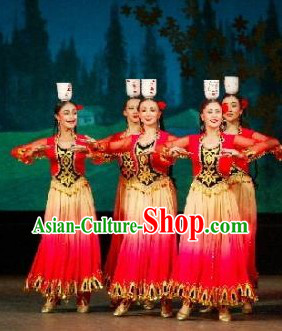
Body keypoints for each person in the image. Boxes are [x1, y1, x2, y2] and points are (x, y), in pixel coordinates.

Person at [166, 81, 279, 322]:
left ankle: (223, 302)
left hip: (223, 196)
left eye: (219, 111)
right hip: (198, 198)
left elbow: (270, 143)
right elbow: (164, 147)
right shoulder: (193, 140)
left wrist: (244, 154)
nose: (216, 115)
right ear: (203, 116)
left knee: (223, 248)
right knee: (194, 247)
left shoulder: (230, 140)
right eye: (211, 111)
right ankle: (188, 300)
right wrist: (173, 152)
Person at [11, 83, 102, 313]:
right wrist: (31, 152)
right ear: (57, 117)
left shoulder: (83, 140)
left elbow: (102, 157)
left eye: (74, 113)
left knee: (81, 241)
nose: (71, 116)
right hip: (58, 196)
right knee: (56, 241)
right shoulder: (49, 143)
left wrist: (91, 149)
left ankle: (83, 294)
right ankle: (53, 293)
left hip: (80, 194)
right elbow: (17, 151)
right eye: (67, 113)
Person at [95, 94, 178, 318]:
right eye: (144, 110)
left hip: (160, 193)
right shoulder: (130, 141)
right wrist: (92, 146)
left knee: (161, 244)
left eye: (153, 110)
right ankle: (128, 295)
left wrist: (164, 153)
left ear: (159, 114)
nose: (148, 114)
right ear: (138, 115)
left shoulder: (169, 139)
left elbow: (173, 159)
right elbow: (104, 149)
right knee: (134, 243)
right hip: (136, 195)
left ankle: (164, 298)